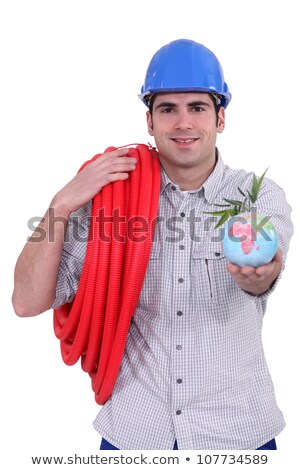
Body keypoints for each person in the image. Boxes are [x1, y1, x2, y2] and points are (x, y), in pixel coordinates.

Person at [12, 39, 293, 450]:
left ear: (221, 118)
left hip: (236, 435)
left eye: (197, 107)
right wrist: (63, 202)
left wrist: (259, 272)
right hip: (136, 434)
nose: (183, 123)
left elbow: (263, 273)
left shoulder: (257, 196)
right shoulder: (109, 199)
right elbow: (26, 302)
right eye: (168, 109)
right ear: (149, 121)